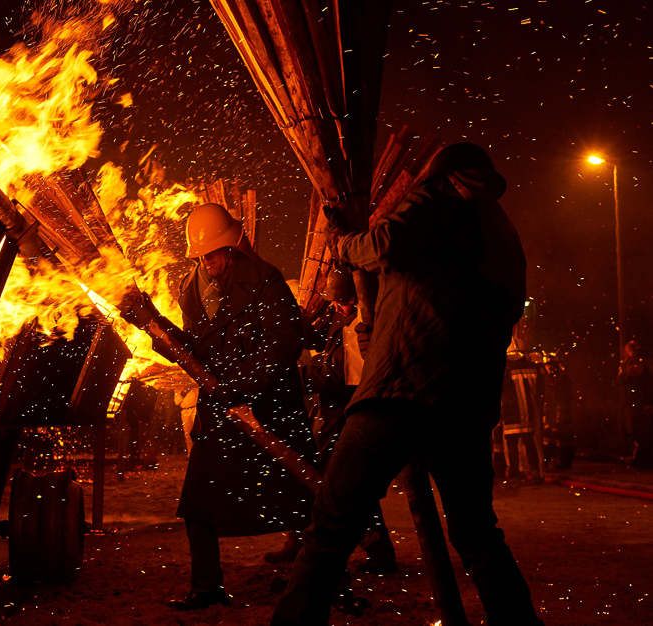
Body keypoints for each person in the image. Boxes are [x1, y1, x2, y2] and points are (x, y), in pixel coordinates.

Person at [271, 143, 544, 625]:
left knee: (330, 528)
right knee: (478, 534)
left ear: (440, 174)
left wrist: (346, 243)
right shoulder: (500, 229)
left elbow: (382, 247)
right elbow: (449, 293)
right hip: (466, 405)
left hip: (400, 391)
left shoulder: (435, 200)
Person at [142, 202, 318, 610]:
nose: (208, 261)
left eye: (214, 252)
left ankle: (329, 584)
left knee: (302, 503)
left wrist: (242, 386)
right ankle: (206, 588)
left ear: (232, 246)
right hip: (221, 414)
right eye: (201, 255)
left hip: (269, 410)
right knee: (198, 505)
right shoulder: (191, 289)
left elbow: (285, 342)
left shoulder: (265, 280)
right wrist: (157, 327)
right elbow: (197, 351)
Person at [265, 269, 397, 580]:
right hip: (325, 416)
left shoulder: (362, 325)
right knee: (310, 479)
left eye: (344, 302)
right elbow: (313, 335)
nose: (338, 307)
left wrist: (285, 378)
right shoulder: (338, 316)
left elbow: (335, 376)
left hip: (347, 414)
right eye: (335, 302)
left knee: (347, 486)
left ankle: (378, 550)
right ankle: (300, 540)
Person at [499, 345, 544, 487]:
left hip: (511, 414)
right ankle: (536, 472)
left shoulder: (505, 369)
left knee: (512, 447)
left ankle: (514, 477)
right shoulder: (532, 367)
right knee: (530, 443)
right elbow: (540, 390)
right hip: (529, 413)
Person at [619, 341, 653, 467]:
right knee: (638, 433)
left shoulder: (644, 371)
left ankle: (642, 459)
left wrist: (649, 403)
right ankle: (640, 459)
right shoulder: (629, 369)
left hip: (642, 407)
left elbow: (648, 388)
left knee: (645, 434)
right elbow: (623, 381)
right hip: (634, 407)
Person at [542, 353, 575, 469]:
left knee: (564, 438)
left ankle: (565, 463)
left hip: (562, 413)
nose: (548, 367)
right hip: (552, 413)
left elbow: (563, 398)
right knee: (550, 438)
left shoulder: (563, 378)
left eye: (550, 364)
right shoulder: (548, 378)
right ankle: (546, 461)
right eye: (546, 364)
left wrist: (560, 415)